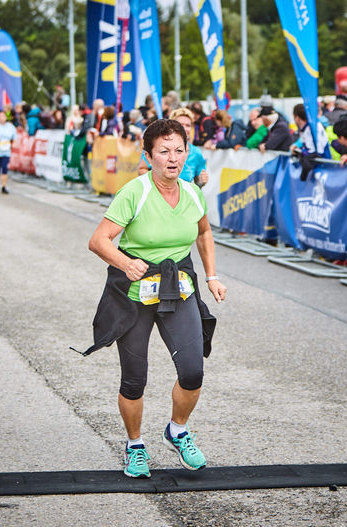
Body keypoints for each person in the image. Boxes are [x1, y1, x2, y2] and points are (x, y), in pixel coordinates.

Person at [85, 118, 226, 479]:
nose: (172, 158)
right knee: (134, 378)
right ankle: (134, 446)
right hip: (135, 293)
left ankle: (177, 430)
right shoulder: (135, 192)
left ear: (187, 153)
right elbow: (99, 240)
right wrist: (124, 261)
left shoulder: (193, 192)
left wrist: (211, 276)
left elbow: (204, 232)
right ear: (148, 156)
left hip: (178, 287)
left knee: (193, 370)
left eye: (179, 150)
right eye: (163, 151)